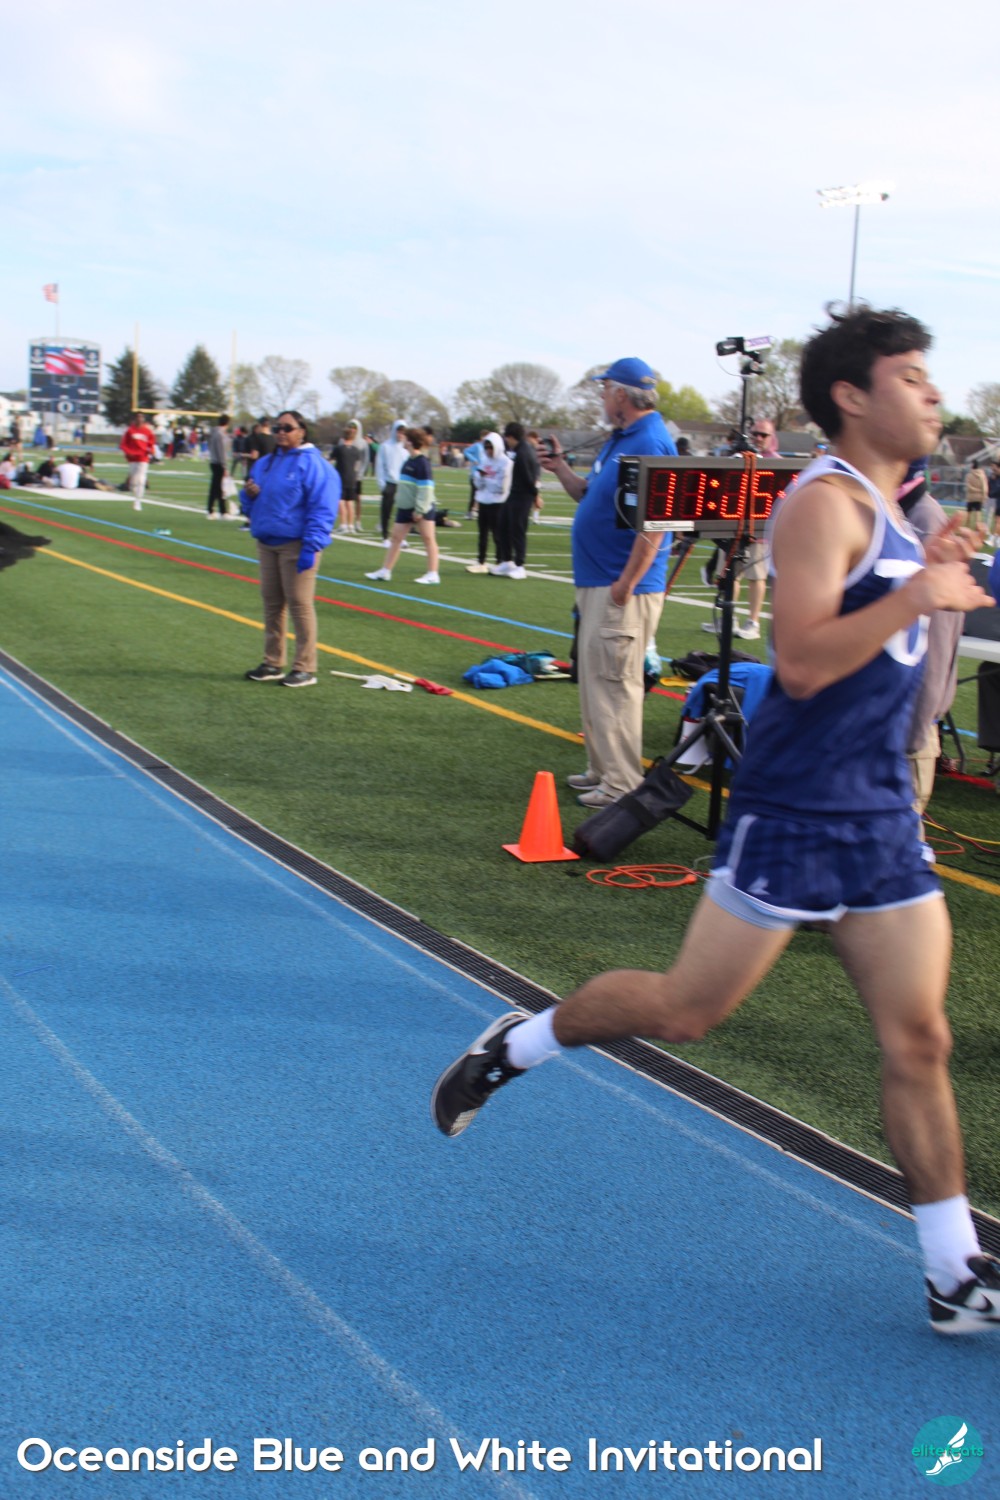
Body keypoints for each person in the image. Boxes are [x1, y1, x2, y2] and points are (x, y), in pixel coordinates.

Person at [432, 307, 1000, 1336]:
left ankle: (953, 1273)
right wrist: (920, 592)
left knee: (920, 1036)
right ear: (851, 396)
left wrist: (934, 577)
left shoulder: (893, 513)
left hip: (878, 811)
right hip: (795, 812)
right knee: (685, 1009)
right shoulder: (823, 503)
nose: (931, 393)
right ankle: (522, 1043)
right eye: (909, 376)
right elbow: (803, 661)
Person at [539, 357, 676, 807]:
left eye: (604, 389)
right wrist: (560, 468)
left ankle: (621, 783)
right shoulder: (624, 439)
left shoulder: (651, 441)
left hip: (620, 587)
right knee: (596, 681)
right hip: (601, 581)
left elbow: (657, 523)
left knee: (616, 684)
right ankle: (602, 769)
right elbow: (589, 495)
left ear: (621, 393)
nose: (601, 397)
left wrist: (626, 584)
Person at [240, 410, 340, 688]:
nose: (281, 433)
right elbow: (249, 503)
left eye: (288, 428)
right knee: (272, 604)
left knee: (300, 604)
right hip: (267, 541)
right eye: (277, 428)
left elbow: (322, 509)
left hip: (296, 544)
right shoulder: (266, 463)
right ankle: (273, 662)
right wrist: (248, 497)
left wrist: (312, 545)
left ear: (301, 431)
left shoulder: (315, 466)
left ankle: (305, 667)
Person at [364, 427, 440, 586]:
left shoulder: (422, 463)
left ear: (410, 442)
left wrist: (419, 510)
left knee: (428, 539)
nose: (402, 441)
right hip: (405, 508)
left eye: (405, 439)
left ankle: (433, 574)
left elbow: (426, 489)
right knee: (396, 538)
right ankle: (385, 571)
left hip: (421, 508)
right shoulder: (408, 461)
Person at [491, 423, 540, 579]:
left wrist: (536, 496)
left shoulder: (524, 452)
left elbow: (529, 478)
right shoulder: (518, 450)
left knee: (518, 529)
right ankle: (507, 561)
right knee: (503, 526)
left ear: (511, 437)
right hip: (513, 495)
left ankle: (520, 565)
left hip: (523, 497)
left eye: (507, 437)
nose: (506, 440)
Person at [466, 432, 512, 573]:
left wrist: (486, 480)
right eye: (486, 447)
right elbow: (478, 483)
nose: (488, 450)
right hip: (483, 500)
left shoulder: (506, 462)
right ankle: (481, 561)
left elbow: (501, 487)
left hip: (498, 503)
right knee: (483, 534)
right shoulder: (485, 460)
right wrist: (482, 478)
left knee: (497, 534)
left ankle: (500, 561)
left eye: (491, 447)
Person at [374, 419, 409, 544]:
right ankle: (385, 537)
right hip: (389, 483)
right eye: (399, 432)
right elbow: (379, 466)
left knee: (403, 513)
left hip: (402, 485)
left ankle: (401, 537)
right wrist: (382, 484)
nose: (401, 435)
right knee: (386, 512)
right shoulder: (385, 446)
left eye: (403, 432)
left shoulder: (405, 450)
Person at [330, 419, 368, 533]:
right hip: (352, 477)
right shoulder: (355, 450)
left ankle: (343, 524)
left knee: (341, 501)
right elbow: (357, 463)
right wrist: (356, 473)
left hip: (342, 477)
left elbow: (331, 460)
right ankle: (351, 525)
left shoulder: (340, 448)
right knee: (350, 502)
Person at [120, 413, 156, 511]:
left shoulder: (147, 431)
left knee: (141, 479)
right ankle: (135, 495)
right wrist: (128, 452)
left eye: (141, 417)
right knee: (134, 481)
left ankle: (138, 501)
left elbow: (151, 444)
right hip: (132, 458)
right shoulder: (130, 430)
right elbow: (123, 444)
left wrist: (151, 451)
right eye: (138, 417)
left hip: (143, 458)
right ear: (135, 419)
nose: (140, 419)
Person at [207, 414, 231, 518]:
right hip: (218, 463)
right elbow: (221, 452)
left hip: (213, 461)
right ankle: (222, 511)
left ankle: (211, 509)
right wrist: (224, 466)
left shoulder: (213, 433)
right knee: (219, 488)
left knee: (215, 487)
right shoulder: (220, 434)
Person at [965, 459, 988, 527]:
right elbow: (985, 487)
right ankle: (978, 529)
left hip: (971, 497)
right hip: (979, 497)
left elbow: (969, 487)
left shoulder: (969, 475)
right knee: (978, 513)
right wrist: (984, 496)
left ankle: (967, 528)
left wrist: (975, 490)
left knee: (968, 514)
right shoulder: (982, 475)